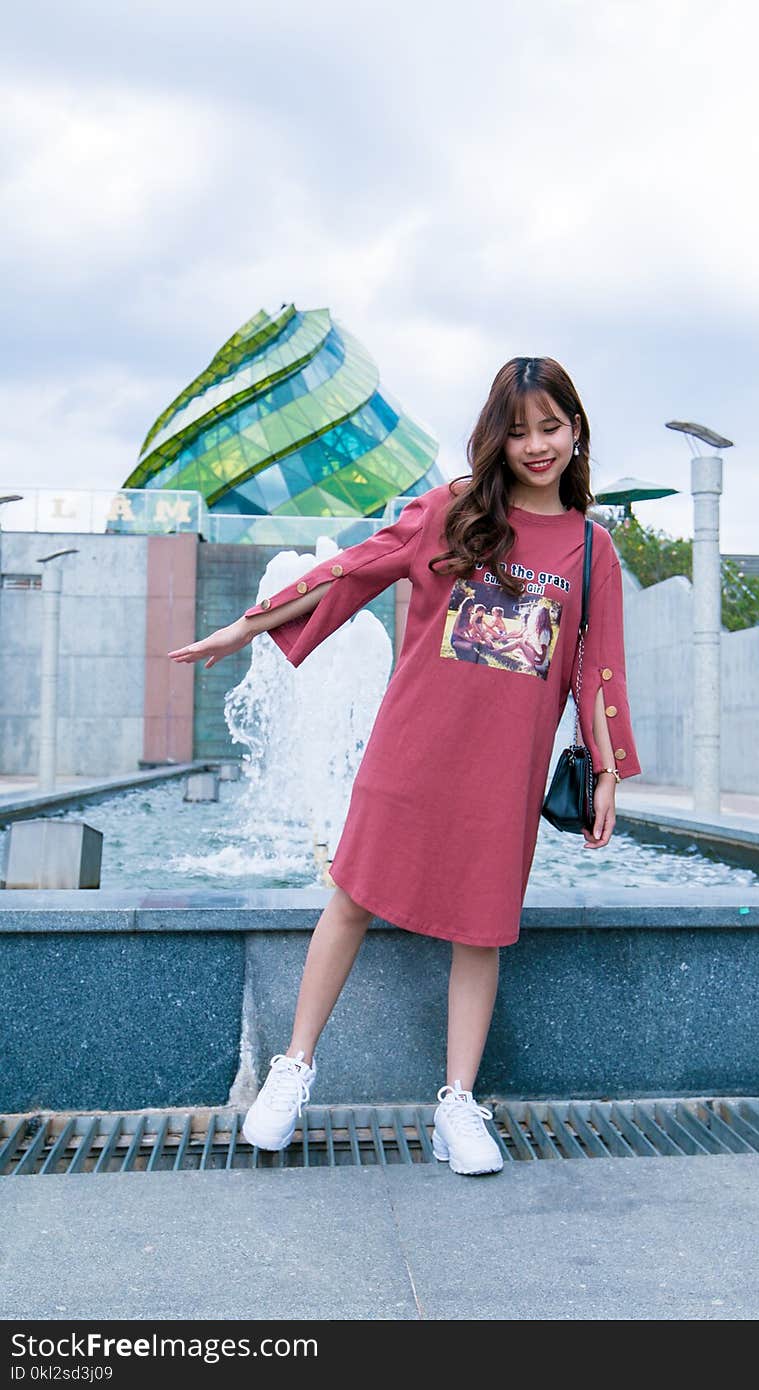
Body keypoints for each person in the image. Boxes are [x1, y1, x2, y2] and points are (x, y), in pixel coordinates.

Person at [168, 355, 642, 1177]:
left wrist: (606, 771)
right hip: (412, 749)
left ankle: (457, 1102)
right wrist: (248, 626)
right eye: (521, 429)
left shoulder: (592, 550)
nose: (537, 445)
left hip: (504, 771)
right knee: (350, 899)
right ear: (498, 435)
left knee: (481, 928)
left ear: (576, 431)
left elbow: (601, 668)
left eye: (552, 427)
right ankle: (294, 1069)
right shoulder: (452, 511)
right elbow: (356, 566)